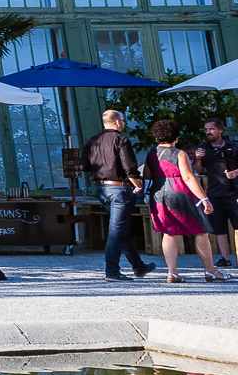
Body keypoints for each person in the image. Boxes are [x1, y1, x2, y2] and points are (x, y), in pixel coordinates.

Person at [146, 119, 230, 284]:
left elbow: (148, 176)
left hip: (159, 194)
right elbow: (188, 177)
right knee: (200, 230)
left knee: (169, 233)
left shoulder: (151, 153)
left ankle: (172, 273)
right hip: (179, 192)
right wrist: (204, 198)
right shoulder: (179, 153)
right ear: (176, 136)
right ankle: (210, 271)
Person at [83, 110, 155, 281]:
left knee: (121, 229)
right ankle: (112, 271)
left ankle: (138, 267)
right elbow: (130, 167)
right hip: (119, 189)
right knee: (116, 230)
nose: (124, 123)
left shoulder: (92, 140)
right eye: (123, 121)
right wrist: (138, 185)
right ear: (117, 122)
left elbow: (84, 166)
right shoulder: (121, 140)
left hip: (101, 188)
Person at [193, 119, 238, 268]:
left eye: (211, 129)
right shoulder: (203, 148)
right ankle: (225, 258)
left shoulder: (234, 146)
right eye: (206, 129)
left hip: (234, 191)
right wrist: (198, 158)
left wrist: (235, 173)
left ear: (221, 130)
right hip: (215, 192)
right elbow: (199, 171)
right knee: (219, 228)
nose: (208, 132)